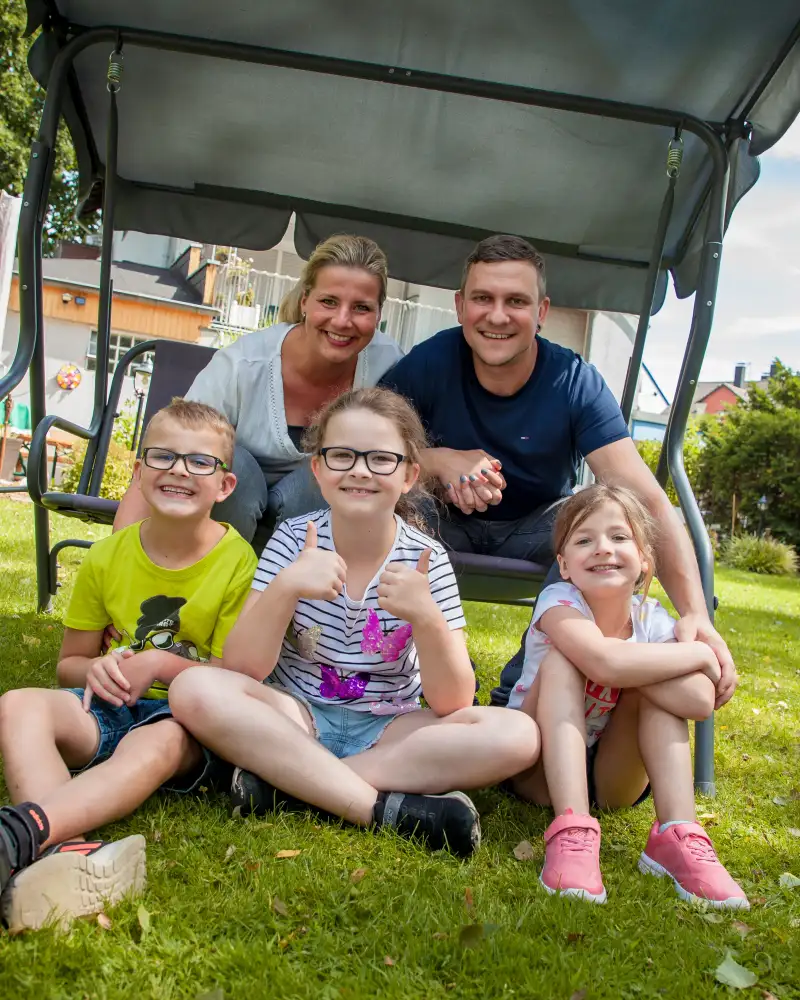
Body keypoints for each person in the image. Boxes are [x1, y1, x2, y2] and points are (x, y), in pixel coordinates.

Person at [167, 387, 539, 857]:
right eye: (342, 455)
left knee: (518, 735)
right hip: (295, 716)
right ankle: (381, 805)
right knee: (195, 688)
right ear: (318, 470)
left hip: (391, 730)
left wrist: (426, 617)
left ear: (409, 475)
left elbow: (453, 700)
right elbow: (243, 668)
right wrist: (286, 588)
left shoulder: (428, 560)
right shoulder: (291, 541)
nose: (360, 470)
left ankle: (291, 784)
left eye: (381, 459)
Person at [379, 234, 737, 709]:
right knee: (388, 504)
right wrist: (441, 462)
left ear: (542, 311)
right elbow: (371, 451)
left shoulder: (574, 381)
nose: (498, 315)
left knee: (595, 525)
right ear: (461, 306)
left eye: (517, 301)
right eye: (483, 298)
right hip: (442, 525)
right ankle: (379, 681)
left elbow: (647, 500)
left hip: (539, 526)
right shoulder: (429, 361)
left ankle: (519, 699)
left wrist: (695, 614)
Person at [0, 400, 256, 931]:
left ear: (225, 486)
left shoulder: (238, 562)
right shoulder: (105, 557)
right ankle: (67, 859)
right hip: (107, 708)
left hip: (185, 722)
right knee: (18, 704)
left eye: (199, 462)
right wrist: (92, 670)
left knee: (154, 741)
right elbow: (69, 664)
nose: (179, 470)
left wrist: (161, 664)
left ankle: (25, 833)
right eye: (162, 457)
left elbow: (237, 679)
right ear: (139, 474)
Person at [509, 484, 747, 908]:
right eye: (584, 540)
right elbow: (602, 663)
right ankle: (572, 828)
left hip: (614, 780)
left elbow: (696, 701)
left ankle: (678, 834)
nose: (603, 548)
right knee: (566, 661)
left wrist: (635, 666)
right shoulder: (558, 602)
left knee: (656, 688)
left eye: (619, 537)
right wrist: (693, 653)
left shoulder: (651, 618)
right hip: (538, 767)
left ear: (643, 560)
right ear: (563, 565)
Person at [114, 234, 404, 543]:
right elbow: (173, 449)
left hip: (312, 511)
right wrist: (118, 557)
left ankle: (303, 588)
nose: (343, 320)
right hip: (230, 505)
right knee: (225, 463)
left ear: (379, 314)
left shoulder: (388, 364)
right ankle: (211, 578)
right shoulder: (242, 365)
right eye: (329, 301)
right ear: (305, 300)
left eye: (361, 307)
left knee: (332, 474)